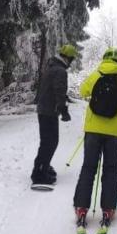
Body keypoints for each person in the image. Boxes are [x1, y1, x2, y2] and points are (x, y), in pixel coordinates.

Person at [73, 47, 117, 227]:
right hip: (114, 132)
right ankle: (108, 209)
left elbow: (82, 92)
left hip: (92, 130)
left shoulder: (95, 75)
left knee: (88, 168)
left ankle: (81, 208)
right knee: (110, 168)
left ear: (104, 59)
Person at [31, 44, 78, 186]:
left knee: (48, 141)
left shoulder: (52, 67)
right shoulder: (60, 71)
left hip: (45, 109)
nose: (71, 62)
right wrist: (63, 110)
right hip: (48, 111)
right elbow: (59, 91)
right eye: (71, 59)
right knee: (49, 142)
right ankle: (39, 174)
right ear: (68, 58)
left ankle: (43, 166)